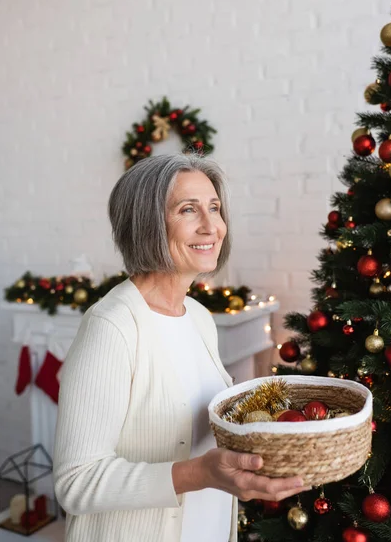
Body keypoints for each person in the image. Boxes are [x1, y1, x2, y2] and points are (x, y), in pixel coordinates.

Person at [53, 153, 309, 542]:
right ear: (147, 224)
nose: (212, 227)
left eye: (214, 208)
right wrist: (200, 473)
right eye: (188, 210)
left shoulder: (199, 317)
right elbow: (76, 482)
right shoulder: (111, 326)